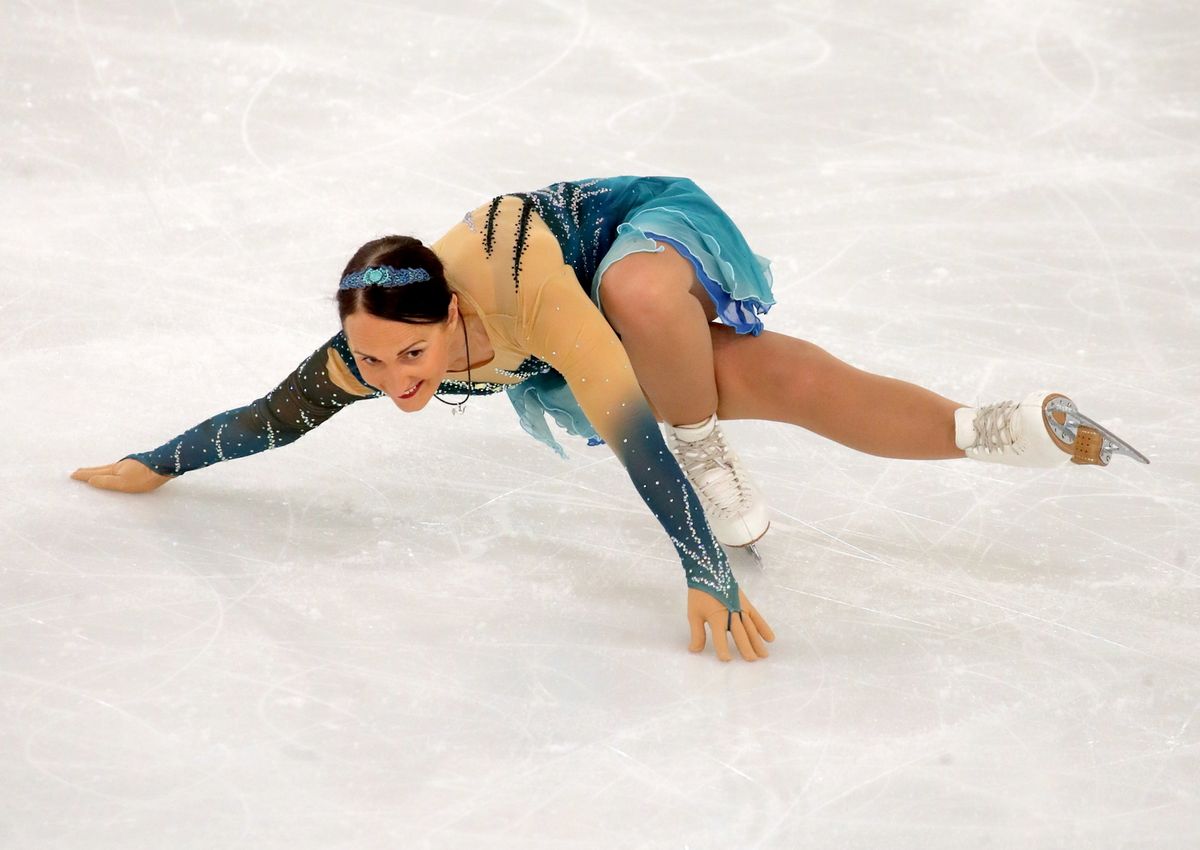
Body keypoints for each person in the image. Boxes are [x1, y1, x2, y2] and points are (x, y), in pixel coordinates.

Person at [70, 176, 1149, 663]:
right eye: (373, 359)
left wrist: (702, 563)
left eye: (414, 354)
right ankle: (1004, 429)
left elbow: (630, 429)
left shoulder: (518, 278)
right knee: (784, 381)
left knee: (640, 309)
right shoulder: (375, 345)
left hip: (634, 239)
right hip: (629, 332)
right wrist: (154, 463)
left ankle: (712, 448)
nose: (397, 380)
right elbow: (271, 417)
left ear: (454, 313)